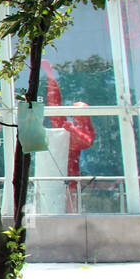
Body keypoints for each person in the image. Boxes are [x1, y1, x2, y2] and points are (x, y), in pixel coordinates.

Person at [43, 62, 95, 212]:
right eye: (74, 111)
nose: (75, 114)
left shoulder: (79, 130)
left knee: (71, 202)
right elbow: (54, 104)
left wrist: (73, 130)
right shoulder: (66, 128)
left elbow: (86, 142)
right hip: (57, 174)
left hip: (72, 177)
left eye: (78, 111)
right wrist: (50, 76)